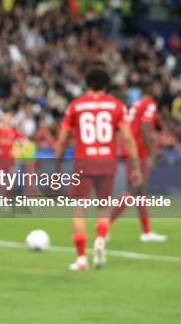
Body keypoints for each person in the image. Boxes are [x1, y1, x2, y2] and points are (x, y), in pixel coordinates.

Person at [54, 65, 142, 271]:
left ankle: (81, 259)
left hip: (83, 162)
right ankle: (101, 239)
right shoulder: (116, 105)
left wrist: (57, 165)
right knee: (103, 206)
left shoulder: (76, 106)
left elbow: (62, 139)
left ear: (87, 83)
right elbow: (128, 137)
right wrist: (136, 166)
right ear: (107, 85)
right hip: (107, 161)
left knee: (79, 210)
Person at [110, 83, 167, 242]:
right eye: (156, 86)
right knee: (133, 190)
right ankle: (105, 225)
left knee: (140, 192)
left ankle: (146, 232)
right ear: (151, 89)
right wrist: (151, 153)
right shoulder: (149, 104)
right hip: (138, 152)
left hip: (132, 149)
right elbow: (144, 127)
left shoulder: (137, 104)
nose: (159, 89)